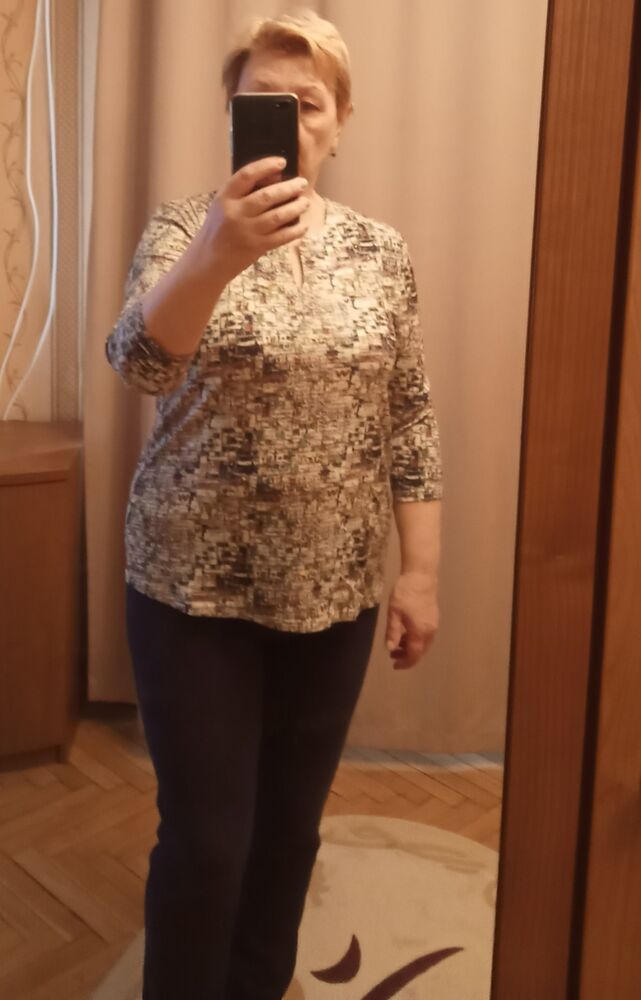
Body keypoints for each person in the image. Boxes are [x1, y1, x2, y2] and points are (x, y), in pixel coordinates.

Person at [105, 10, 443, 999]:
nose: (289, 121)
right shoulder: (183, 229)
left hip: (332, 593)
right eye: (264, 102)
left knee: (288, 832)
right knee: (207, 840)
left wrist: (419, 572)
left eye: (308, 103)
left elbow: (410, 414)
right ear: (229, 114)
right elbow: (136, 364)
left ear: (339, 123)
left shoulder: (380, 252)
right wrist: (217, 252)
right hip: (189, 585)